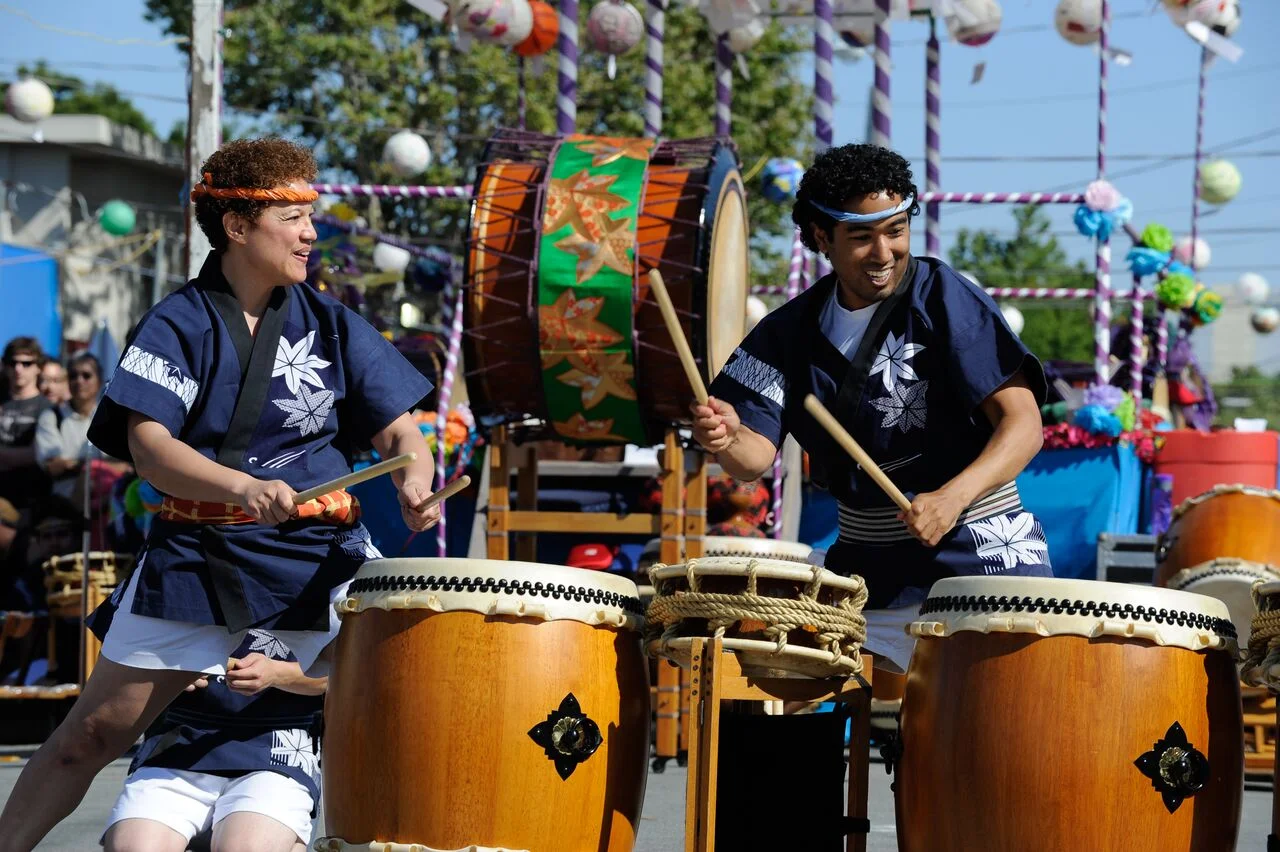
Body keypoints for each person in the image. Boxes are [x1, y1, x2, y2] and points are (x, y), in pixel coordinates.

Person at [0, 136, 441, 851]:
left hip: (313, 560)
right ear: (237, 226)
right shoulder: (178, 321)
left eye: (311, 215)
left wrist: (415, 479)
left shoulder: (331, 323)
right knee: (90, 732)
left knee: (384, 707)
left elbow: (401, 436)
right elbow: (150, 448)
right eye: (293, 217)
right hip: (196, 557)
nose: (309, 233)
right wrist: (240, 486)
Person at [691, 144, 1050, 672]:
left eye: (896, 230)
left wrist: (952, 498)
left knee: (991, 718)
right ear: (821, 238)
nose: (884, 252)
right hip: (866, 567)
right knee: (785, 683)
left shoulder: (942, 297)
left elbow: (1024, 425)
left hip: (982, 548)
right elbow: (753, 458)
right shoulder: (786, 333)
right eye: (861, 236)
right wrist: (724, 437)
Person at [99, 625, 326, 852]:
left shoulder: (323, 590)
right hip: (179, 741)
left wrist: (277, 674)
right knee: (133, 847)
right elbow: (121, 653)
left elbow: (346, 672)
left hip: (279, 744)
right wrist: (166, 671)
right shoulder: (171, 588)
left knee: (249, 847)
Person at [0, 337, 53, 561]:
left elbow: (39, 454)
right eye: (13, 363)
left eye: (26, 363)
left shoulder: (48, 408)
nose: (18, 369)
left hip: (31, 506)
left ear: (38, 367)